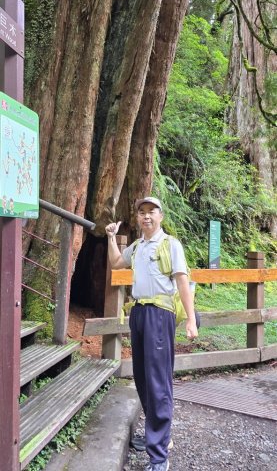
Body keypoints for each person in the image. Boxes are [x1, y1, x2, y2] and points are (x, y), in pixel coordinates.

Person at [105, 196, 198, 471]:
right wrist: (111, 237)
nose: (146, 216)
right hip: (140, 313)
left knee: (158, 381)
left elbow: (182, 280)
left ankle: (159, 456)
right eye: (142, 212)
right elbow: (117, 264)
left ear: (161, 216)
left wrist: (191, 320)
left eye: (151, 212)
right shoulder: (138, 246)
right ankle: (158, 437)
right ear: (137, 218)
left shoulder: (170, 245)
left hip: (160, 314)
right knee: (143, 377)